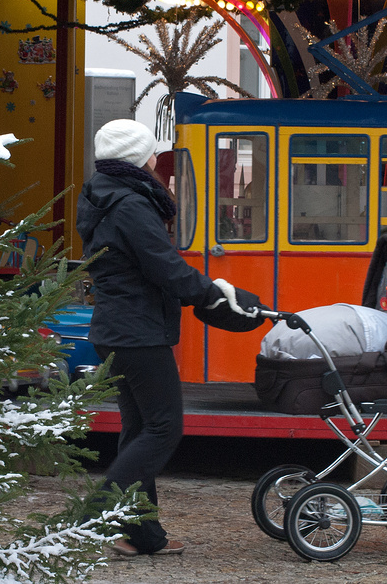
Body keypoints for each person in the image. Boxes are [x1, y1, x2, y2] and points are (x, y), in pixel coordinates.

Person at [76, 119, 265, 557]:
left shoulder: (106, 196)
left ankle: (140, 534)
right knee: (164, 428)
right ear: (139, 159)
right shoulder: (129, 204)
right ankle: (93, 518)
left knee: (140, 428)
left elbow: (146, 268)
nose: (155, 162)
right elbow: (164, 267)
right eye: (151, 155)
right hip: (136, 333)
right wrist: (218, 293)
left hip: (119, 328)